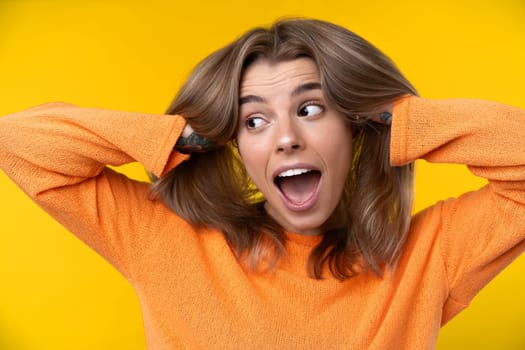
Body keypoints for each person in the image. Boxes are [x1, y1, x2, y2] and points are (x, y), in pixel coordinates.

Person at [0, 18, 523, 349]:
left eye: (311, 108)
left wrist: (395, 114)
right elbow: (17, 141)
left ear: (356, 126)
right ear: (233, 141)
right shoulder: (162, 237)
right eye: (253, 121)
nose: (285, 138)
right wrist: (182, 134)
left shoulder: (426, 257)